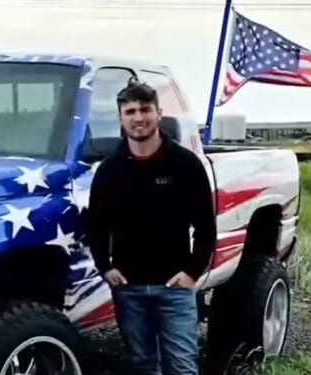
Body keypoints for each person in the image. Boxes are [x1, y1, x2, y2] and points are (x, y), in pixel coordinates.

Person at [86, 80, 217, 375]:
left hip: (175, 287)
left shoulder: (185, 164)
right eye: (130, 111)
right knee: (143, 366)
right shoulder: (109, 169)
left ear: (159, 114)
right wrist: (104, 266)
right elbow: (96, 225)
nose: (138, 117)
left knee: (183, 366)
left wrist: (193, 272)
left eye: (145, 109)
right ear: (120, 119)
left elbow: (206, 226)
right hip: (128, 289)